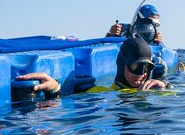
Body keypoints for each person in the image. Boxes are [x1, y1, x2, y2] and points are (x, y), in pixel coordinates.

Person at [16, 38, 166, 94]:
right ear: (122, 63)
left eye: (146, 68)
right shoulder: (100, 92)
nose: (141, 74)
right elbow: (68, 104)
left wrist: (166, 86)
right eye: (136, 66)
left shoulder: (154, 92)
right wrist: (55, 88)